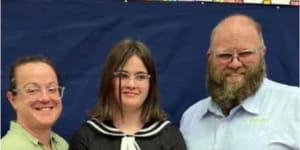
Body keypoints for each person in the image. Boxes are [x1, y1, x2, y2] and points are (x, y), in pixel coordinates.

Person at [180, 14, 299, 150]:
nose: (235, 64)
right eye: (224, 55)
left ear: (262, 53)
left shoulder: (294, 105)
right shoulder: (191, 118)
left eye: (245, 53)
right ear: (209, 58)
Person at [69, 39, 187, 150]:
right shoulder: (85, 138)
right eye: (123, 75)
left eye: (140, 77)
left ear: (150, 83)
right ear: (109, 80)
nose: (131, 84)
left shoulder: (171, 138)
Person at [1, 56, 69, 150]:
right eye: (32, 90)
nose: (45, 98)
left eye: (52, 89)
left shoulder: (61, 144)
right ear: (13, 99)